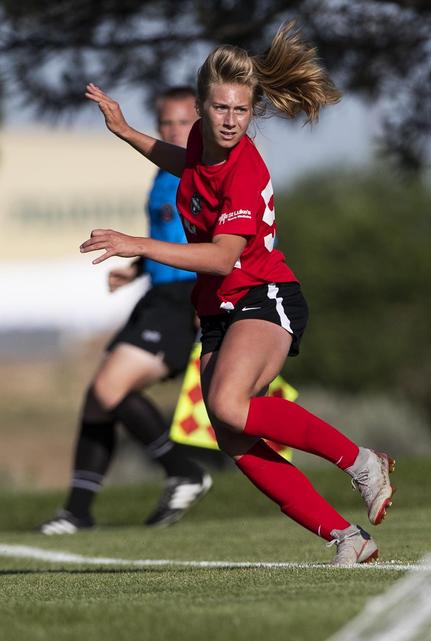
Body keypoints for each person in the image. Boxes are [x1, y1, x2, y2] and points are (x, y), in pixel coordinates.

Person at [79, 21, 396, 566]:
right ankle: (348, 539)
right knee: (232, 435)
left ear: (252, 113)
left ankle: (361, 461)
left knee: (229, 404)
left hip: (265, 295)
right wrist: (127, 131)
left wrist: (139, 244)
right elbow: (187, 163)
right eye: (221, 108)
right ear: (202, 107)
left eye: (241, 111)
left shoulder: (246, 170)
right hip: (219, 308)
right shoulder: (203, 140)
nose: (230, 120)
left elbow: (223, 257)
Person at [41, 87, 213, 535]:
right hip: (155, 297)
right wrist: (137, 268)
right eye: (166, 123)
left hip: (183, 300)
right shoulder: (163, 173)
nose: (174, 130)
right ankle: (77, 510)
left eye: (183, 122)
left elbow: (217, 244)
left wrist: (208, 299)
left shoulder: (199, 172)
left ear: (200, 122)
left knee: (109, 388)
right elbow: (173, 241)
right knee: (99, 401)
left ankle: (184, 470)